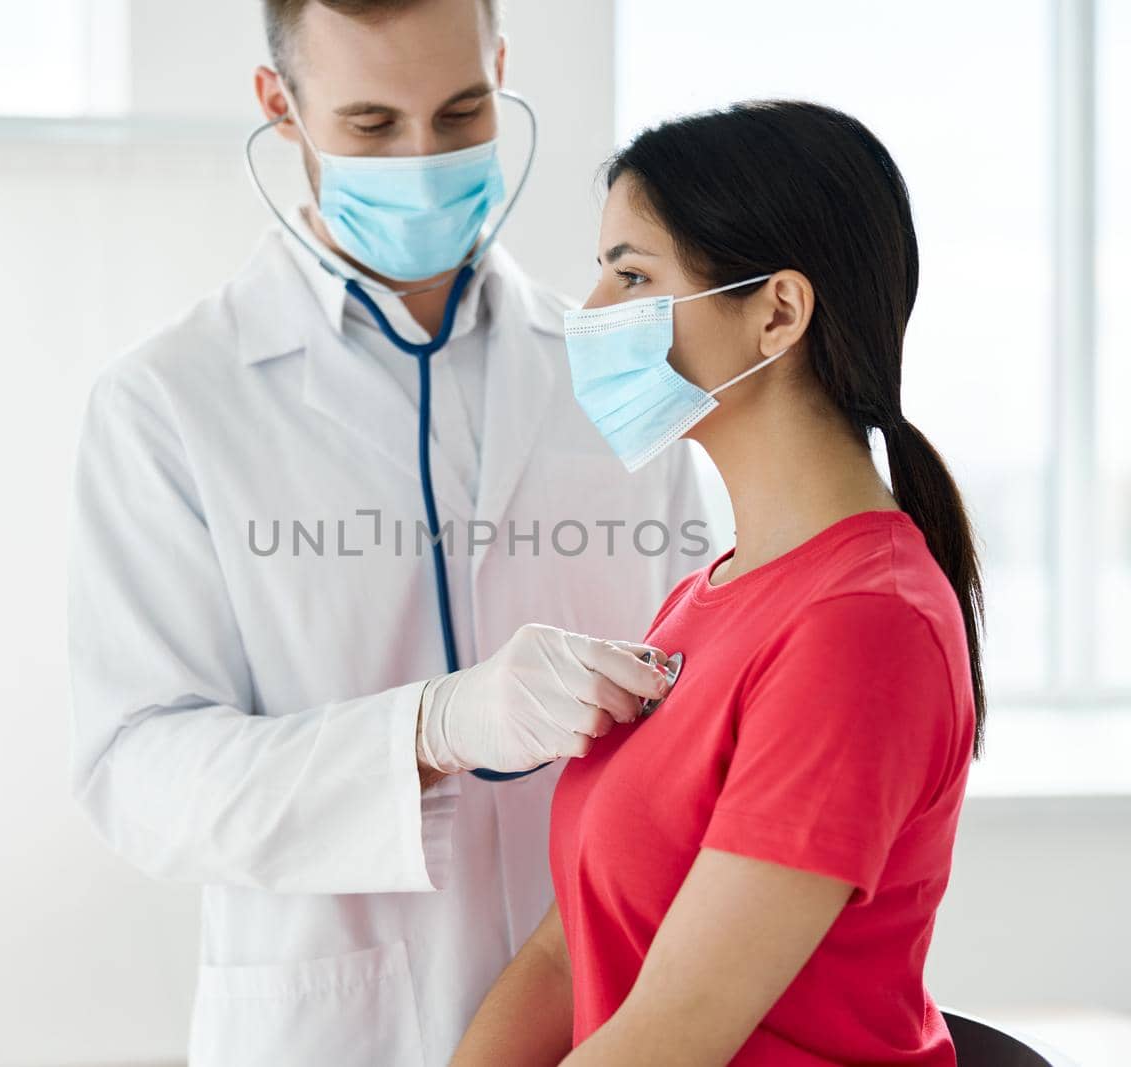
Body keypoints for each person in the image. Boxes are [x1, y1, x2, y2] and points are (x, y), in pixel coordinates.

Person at [65, 0, 707, 1063]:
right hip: (340, 1022)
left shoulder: (608, 368)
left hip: (607, 1015)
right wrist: (425, 730)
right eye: (371, 126)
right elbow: (137, 772)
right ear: (280, 105)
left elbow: (703, 669)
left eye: (461, 112)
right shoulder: (173, 401)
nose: (421, 157)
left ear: (501, 70)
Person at [453, 100, 986, 1066]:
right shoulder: (707, 598)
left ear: (776, 311)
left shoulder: (863, 625)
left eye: (633, 274)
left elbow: (676, 1031)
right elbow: (565, 954)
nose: (593, 311)